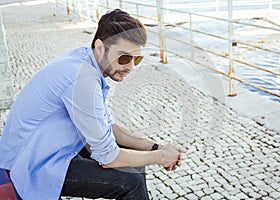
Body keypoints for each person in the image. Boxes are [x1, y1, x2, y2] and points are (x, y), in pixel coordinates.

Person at [0, 9, 186, 200]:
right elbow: (108, 158)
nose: (130, 66)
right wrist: (161, 158)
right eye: (124, 58)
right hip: (32, 163)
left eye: (137, 59)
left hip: (52, 146)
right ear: (100, 47)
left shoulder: (85, 60)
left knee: (135, 164)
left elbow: (109, 127)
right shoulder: (82, 80)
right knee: (132, 182)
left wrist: (155, 148)